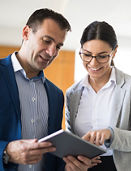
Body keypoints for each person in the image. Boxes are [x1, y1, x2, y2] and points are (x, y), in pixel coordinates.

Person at [0, 8, 97, 171]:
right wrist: (5, 151)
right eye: (46, 41)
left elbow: (52, 153)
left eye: (58, 46)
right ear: (26, 33)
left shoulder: (56, 95)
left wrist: (70, 166)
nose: (52, 52)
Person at [65, 21, 131, 171]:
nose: (93, 62)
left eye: (102, 56)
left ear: (114, 52)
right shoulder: (72, 93)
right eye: (87, 55)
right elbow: (72, 139)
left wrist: (111, 134)